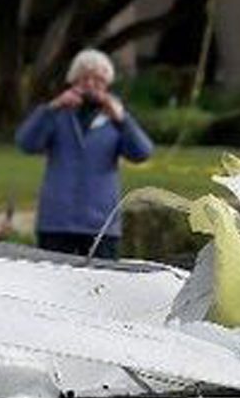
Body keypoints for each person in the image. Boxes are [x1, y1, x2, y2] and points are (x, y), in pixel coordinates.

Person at [15, 48, 154, 260]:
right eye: (84, 78)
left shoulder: (116, 120)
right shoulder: (58, 114)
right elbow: (26, 143)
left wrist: (122, 119)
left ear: (107, 83)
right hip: (57, 222)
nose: (90, 84)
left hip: (101, 225)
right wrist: (51, 108)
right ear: (73, 81)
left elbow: (142, 152)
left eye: (98, 79)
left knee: (99, 287)